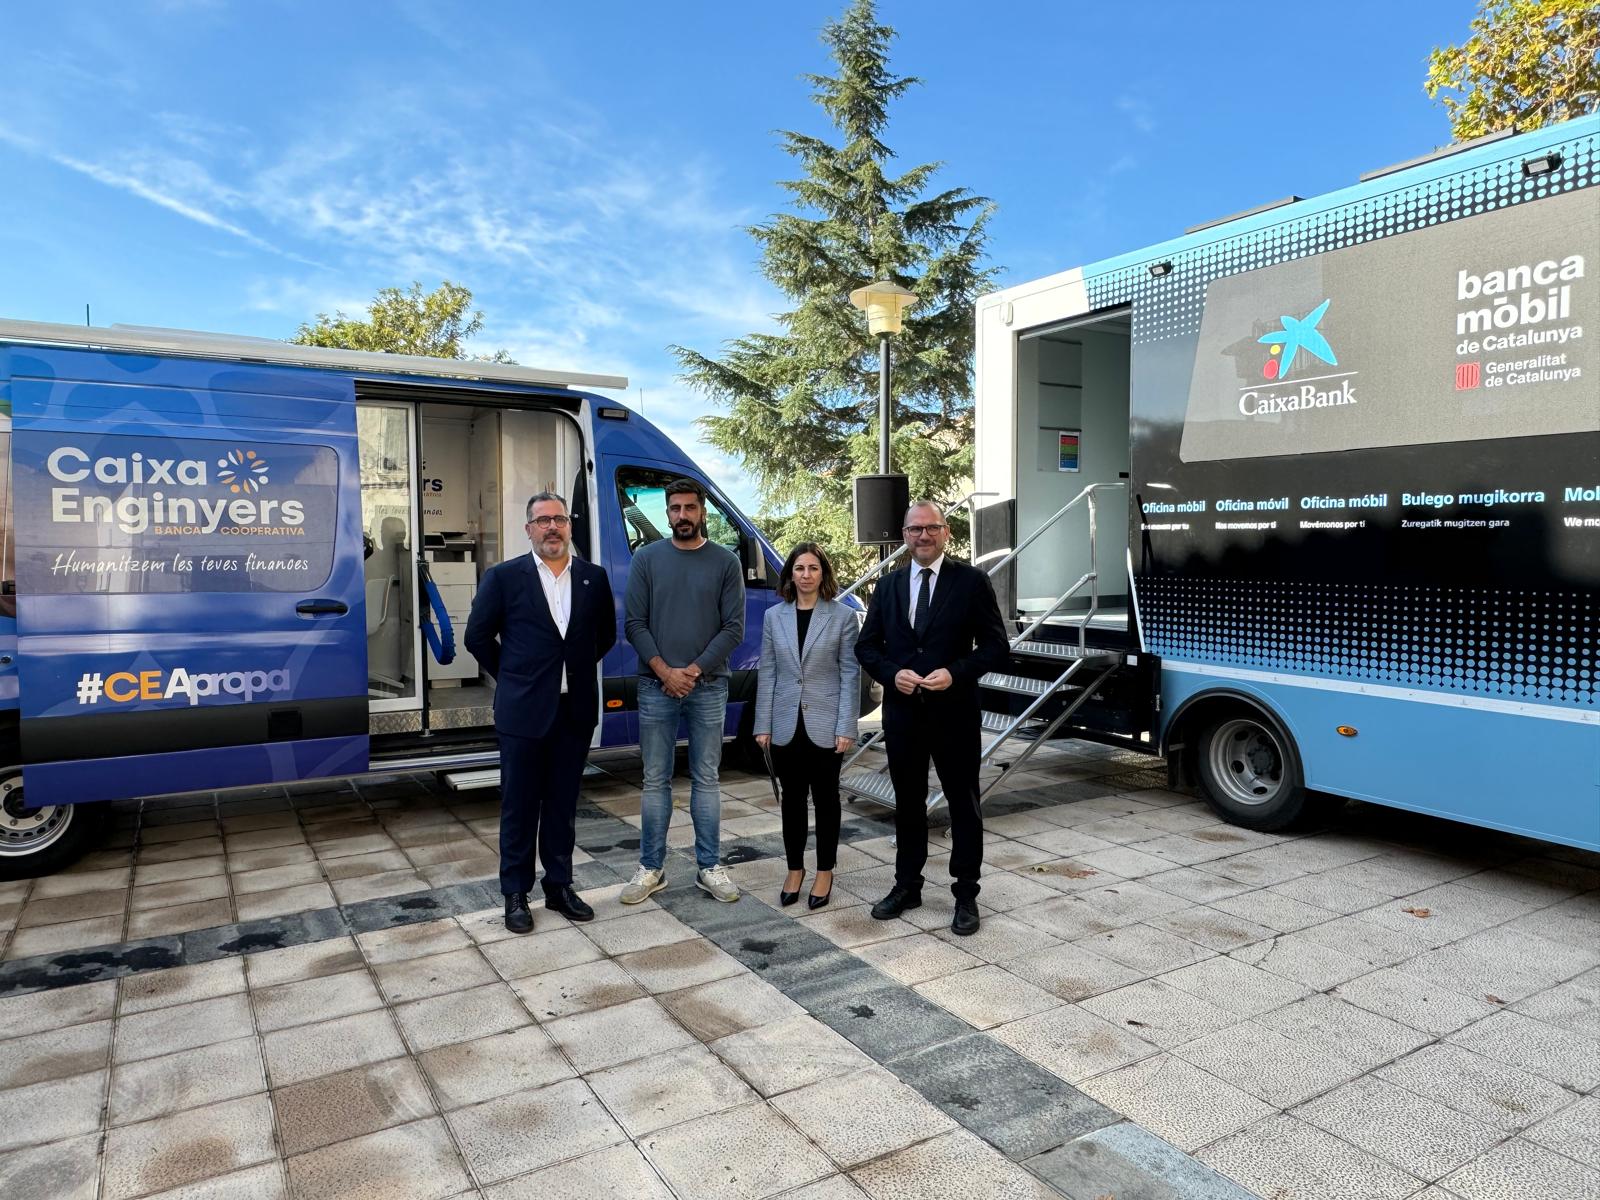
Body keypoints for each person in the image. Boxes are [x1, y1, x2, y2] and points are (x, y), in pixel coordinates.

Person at [854, 500, 1009, 935]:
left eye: (931, 528)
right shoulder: (887, 587)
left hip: (955, 714)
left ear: (946, 533)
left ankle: (965, 894)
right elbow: (867, 647)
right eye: (915, 529)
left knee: (964, 805)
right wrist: (891, 673)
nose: (923, 536)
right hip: (904, 716)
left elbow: (997, 646)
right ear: (904, 535)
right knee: (907, 805)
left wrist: (955, 673)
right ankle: (907, 885)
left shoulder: (972, 582)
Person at [465, 491, 616, 935]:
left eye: (560, 519)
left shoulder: (593, 578)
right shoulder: (504, 577)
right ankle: (515, 894)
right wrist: (514, 677)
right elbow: (477, 637)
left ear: (569, 527)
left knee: (563, 805)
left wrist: (574, 670)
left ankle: (559, 886)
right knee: (519, 806)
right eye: (543, 520)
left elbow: (602, 636)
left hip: (574, 713)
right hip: (523, 714)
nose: (553, 527)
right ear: (528, 528)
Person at [620, 478, 746, 904]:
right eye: (674, 509)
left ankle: (709, 866)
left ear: (702, 511)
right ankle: (651, 869)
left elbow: (734, 629)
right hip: (655, 686)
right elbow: (634, 623)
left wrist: (690, 670)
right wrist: (664, 671)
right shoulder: (647, 559)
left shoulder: (725, 562)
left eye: (690, 508)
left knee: (706, 780)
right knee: (655, 780)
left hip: (708, 686)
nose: (682, 516)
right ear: (667, 513)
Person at [753, 543, 859, 909]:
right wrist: (761, 723)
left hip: (827, 725)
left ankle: (825, 870)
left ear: (823, 574)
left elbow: (849, 672)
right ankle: (795, 868)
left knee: (827, 799)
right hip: (784, 723)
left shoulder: (843, 617)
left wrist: (847, 726)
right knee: (792, 801)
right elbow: (768, 671)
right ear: (790, 575)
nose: (806, 575)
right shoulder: (773, 618)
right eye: (800, 568)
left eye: (813, 568)